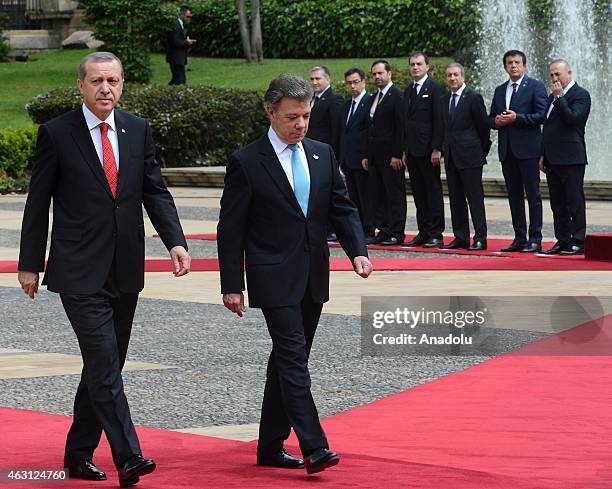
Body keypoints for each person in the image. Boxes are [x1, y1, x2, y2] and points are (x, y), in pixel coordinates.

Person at [17, 52, 191, 487]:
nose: (105, 89)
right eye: (96, 81)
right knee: (105, 362)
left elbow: (155, 190)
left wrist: (175, 240)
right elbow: (38, 203)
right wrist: (29, 263)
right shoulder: (57, 134)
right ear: (81, 85)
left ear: (123, 84)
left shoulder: (137, 130)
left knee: (104, 364)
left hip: (125, 267)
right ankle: (128, 456)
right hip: (77, 269)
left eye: (113, 80)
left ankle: (77, 454)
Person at [217, 74, 372, 475]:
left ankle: (269, 446)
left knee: (288, 361)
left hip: (313, 275)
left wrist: (358, 252)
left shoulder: (321, 153)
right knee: (293, 359)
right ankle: (314, 445)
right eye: (292, 117)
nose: (300, 124)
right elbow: (230, 228)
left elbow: (342, 207)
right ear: (270, 113)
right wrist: (232, 284)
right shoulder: (247, 162)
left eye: (305, 116)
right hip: (272, 277)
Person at [488, 50, 548, 253]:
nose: (513, 66)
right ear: (505, 67)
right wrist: (496, 122)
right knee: (514, 196)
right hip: (507, 151)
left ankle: (535, 238)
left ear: (524, 66)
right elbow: (490, 118)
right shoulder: (499, 90)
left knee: (533, 195)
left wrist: (518, 118)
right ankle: (519, 237)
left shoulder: (535, 86)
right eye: (509, 63)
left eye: (517, 62)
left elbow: (542, 115)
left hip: (529, 150)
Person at [436, 63, 490, 251]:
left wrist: (479, 151)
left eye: (456, 75)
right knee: (455, 199)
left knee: (475, 199)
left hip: (471, 156)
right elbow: (444, 129)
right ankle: (461, 237)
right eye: (449, 75)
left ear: (463, 76)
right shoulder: (444, 100)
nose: (452, 78)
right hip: (451, 156)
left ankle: (481, 237)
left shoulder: (473, 97)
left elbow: (483, 128)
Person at [540, 59, 591, 255]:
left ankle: (578, 240)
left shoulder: (581, 95)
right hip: (552, 158)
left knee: (574, 200)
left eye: (557, 74)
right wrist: (542, 154)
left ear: (569, 73)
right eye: (551, 75)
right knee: (557, 202)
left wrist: (560, 98)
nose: (554, 78)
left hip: (571, 156)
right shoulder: (551, 96)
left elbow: (573, 119)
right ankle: (562, 239)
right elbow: (547, 127)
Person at [401, 52, 446, 249]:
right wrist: (404, 150)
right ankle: (424, 231)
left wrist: (437, 148)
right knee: (419, 194)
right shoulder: (408, 90)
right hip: (412, 151)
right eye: (412, 64)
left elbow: (439, 120)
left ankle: (436, 233)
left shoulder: (435, 88)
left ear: (427, 66)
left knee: (433, 192)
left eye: (419, 64)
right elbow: (405, 122)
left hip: (429, 150)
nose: (415, 67)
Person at [364, 60, 406, 246]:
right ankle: (384, 229)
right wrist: (366, 154)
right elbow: (369, 128)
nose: (377, 77)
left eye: (380, 73)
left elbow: (401, 127)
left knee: (394, 195)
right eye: (374, 74)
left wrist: (397, 154)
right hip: (375, 156)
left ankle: (397, 232)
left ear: (389, 74)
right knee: (378, 194)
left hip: (391, 156)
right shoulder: (374, 97)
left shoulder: (397, 96)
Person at [338, 67, 374, 242]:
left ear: (363, 82)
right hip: (348, 160)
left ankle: (368, 229)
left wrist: (367, 155)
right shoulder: (346, 105)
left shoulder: (370, 102)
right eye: (349, 83)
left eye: (355, 82)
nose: (352, 86)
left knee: (366, 196)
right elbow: (343, 133)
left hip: (363, 159)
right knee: (353, 197)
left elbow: (370, 132)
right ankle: (358, 229)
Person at [306, 65, 344, 157]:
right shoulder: (309, 98)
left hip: (324, 150)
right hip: (308, 147)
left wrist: (333, 154)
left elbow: (336, 129)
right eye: (312, 79)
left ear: (328, 79)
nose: (314, 82)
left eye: (318, 79)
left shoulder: (335, 99)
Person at [166, 5, 196, 85]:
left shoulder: (180, 25)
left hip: (178, 58)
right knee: (180, 80)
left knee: (177, 79)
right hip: (175, 57)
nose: (188, 18)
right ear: (182, 14)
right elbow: (174, 41)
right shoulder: (175, 25)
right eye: (187, 16)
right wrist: (186, 42)